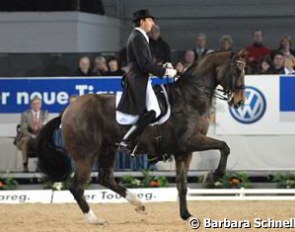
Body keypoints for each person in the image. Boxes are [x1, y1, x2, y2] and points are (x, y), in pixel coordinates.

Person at [116, 9, 177, 156]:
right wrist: (165, 73)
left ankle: (149, 147)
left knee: (155, 111)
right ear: (142, 21)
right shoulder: (137, 37)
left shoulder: (141, 36)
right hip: (138, 80)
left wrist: (162, 67)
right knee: (154, 110)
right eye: (150, 20)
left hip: (142, 78)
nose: (152, 23)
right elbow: (144, 64)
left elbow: (147, 62)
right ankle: (128, 140)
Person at [16, 96, 48, 172]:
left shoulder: (44, 114)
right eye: (35, 104)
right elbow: (23, 129)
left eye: (38, 104)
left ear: (40, 104)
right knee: (26, 140)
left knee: (44, 142)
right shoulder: (25, 114)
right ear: (31, 105)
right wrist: (32, 136)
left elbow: (45, 127)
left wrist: (38, 136)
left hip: (40, 136)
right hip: (28, 136)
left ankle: (40, 165)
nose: (36, 105)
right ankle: (25, 165)